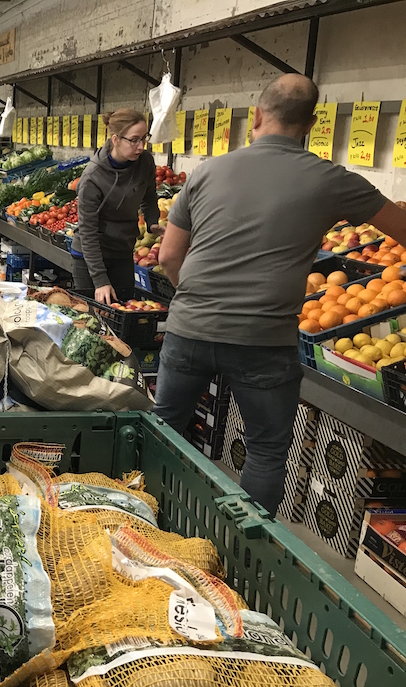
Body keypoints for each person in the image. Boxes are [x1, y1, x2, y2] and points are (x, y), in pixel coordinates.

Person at [154, 73, 406, 515]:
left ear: (256, 115)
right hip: (264, 341)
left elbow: (169, 256)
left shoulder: (208, 171)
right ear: (310, 126)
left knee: (163, 430)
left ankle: (142, 521)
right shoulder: (332, 180)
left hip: (189, 327)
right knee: (266, 451)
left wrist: (195, 301)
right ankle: (243, 546)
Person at [70, 108, 161, 304]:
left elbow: (149, 196)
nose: (141, 146)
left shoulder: (145, 162)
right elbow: (88, 231)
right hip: (90, 258)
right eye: (134, 140)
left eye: (144, 138)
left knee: (123, 309)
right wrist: (100, 280)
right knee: (93, 317)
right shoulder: (93, 177)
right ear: (116, 139)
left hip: (122, 251)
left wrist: (152, 222)